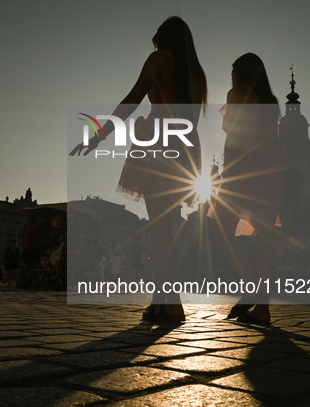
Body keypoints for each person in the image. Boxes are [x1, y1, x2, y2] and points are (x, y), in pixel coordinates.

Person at [70, 16, 208, 321]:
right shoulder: (196, 72)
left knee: (159, 230)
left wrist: (98, 136)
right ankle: (165, 300)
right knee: (166, 229)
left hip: (157, 141)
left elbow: (131, 100)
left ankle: (169, 303)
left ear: (163, 40)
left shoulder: (160, 59)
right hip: (185, 146)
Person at [209, 53, 285, 325]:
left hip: (242, 171)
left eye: (233, 72)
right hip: (268, 171)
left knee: (221, 229)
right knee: (263, 241)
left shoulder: (237, 93)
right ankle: (262, 309)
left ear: (240, 74)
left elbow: (232, 132)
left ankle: (250, 283)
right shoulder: (270, 103)